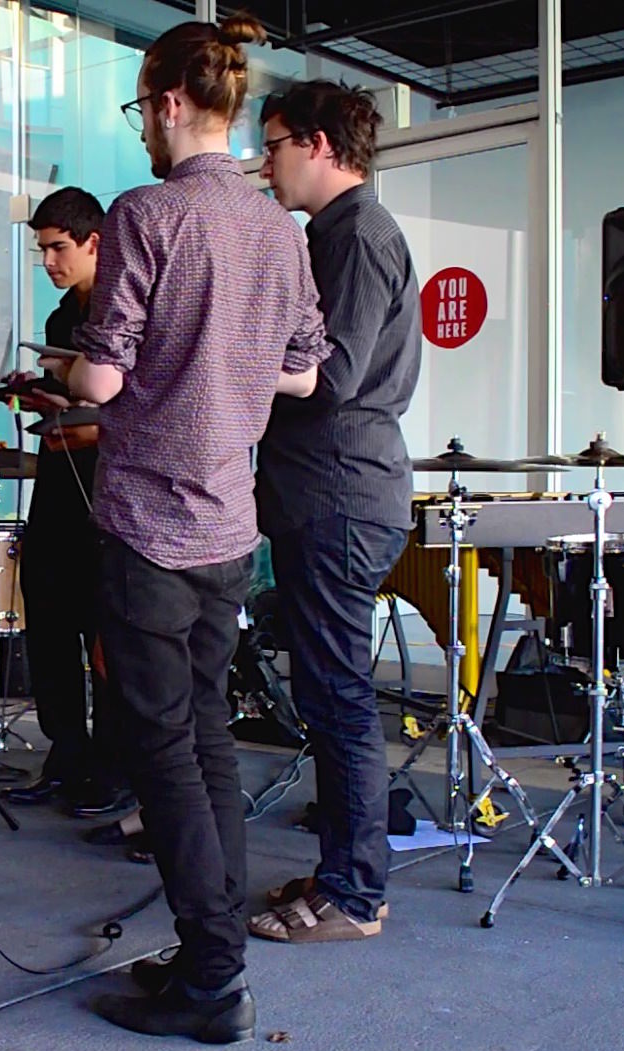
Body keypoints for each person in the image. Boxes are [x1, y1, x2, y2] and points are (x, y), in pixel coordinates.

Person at [40, 16, 330, 1044]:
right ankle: (213, 954)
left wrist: (83, 372)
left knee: (160, 754)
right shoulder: (273, 228)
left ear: (168, 106)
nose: (141, 130)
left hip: (150, 527)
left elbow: (103, 374)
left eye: (139, 110)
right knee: (205, 741)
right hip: (226, 530)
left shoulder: (146, 213)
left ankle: (210, 980)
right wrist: (226, 366)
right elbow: (302, 370)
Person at [247, 80, 420, 944]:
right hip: (329, 491)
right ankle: (345, 872)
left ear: (318, 144)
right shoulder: (337, 234)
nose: (264, 163)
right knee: (329, 692)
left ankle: (354, 898)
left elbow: (332, 372)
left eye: (273, 144)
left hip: (341, 493)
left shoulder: (356, 235)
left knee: (342, 698)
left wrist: (224, 358)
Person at [2, 187, 131, 820]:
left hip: (109, 483)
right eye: (42, 249)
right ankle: (65, 751)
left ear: (94, 242)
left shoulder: (127, 308)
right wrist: (37, 392)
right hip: (57, 480)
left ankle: (113, 764)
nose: (50, 261)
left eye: (59, 247)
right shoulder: (59, 319)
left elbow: (141, 405)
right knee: (48, 621)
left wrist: (87, 418)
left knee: (104, 629)